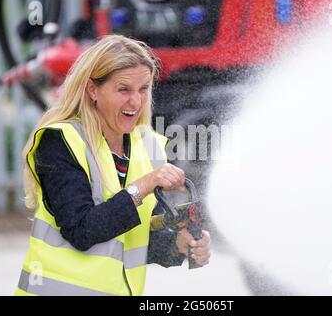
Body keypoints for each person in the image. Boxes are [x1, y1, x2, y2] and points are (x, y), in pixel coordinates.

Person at [15, 35, 211, 296]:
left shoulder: (148, 147)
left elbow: (130, 239)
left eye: (143, 89)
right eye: (124, 90)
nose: (136, 101)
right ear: (92, 90)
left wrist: (178, 244)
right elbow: (82, 231)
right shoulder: (60, 141)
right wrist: (142, 186)